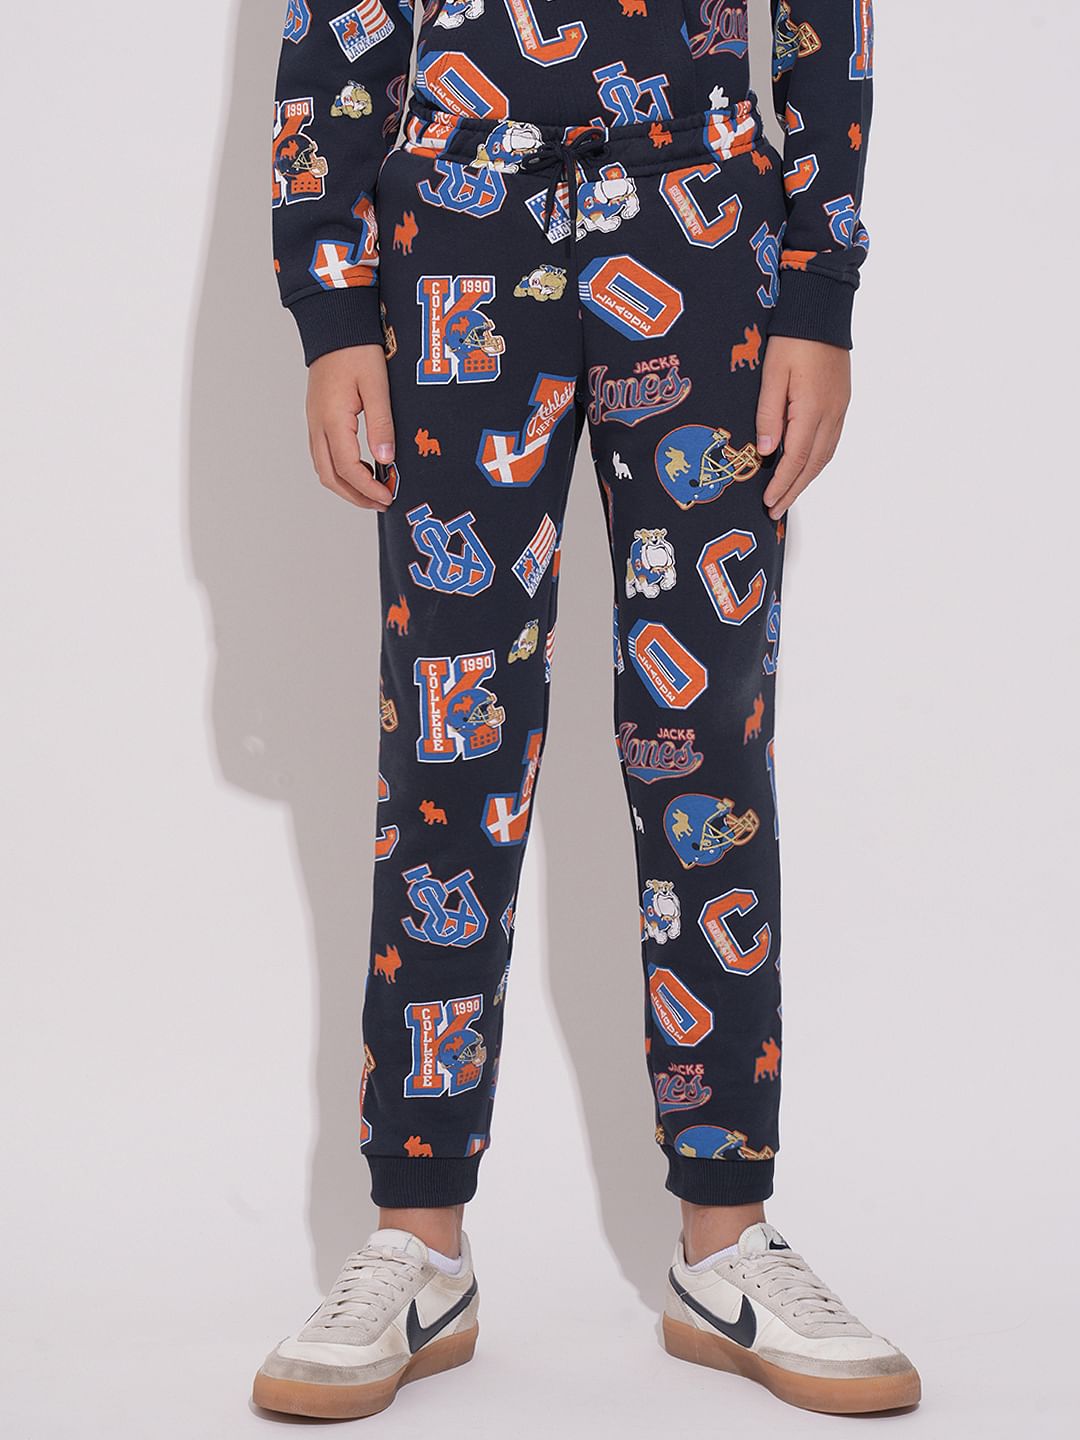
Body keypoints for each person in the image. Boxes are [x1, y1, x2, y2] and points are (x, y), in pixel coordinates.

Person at [254, 0, 919, 1419]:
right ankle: (419, 1246)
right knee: (452, 736)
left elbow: (827, 18)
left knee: (711, 739)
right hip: (458, 222)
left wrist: (820, 285)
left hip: (701, 225)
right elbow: (333, 21)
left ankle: (725, 1242)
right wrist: (331, 299)